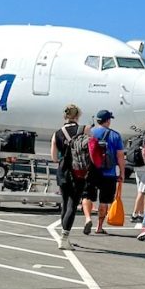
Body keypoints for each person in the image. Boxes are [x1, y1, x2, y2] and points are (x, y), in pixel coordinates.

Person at [51, 103, 88, 250]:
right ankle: (64, 237)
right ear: (77, 115)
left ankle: (64, 238)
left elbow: (54, 157)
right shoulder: (84, 129)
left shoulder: (57, 133)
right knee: (73, 205)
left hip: (62, 171)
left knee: (65, 204)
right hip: (77, 171)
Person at [82, 110, 125, 235]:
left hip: (91, 170)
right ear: (108, 120)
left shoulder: (89, 133)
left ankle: (87, 218)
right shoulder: (115, 135)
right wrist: (122, 173)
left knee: (87, 196)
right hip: (108, 172)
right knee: (104, 200)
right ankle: (99, 226)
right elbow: (120, 156)